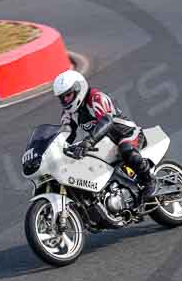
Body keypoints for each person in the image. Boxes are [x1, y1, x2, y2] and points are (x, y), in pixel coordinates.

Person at [53, 70, 157, 200]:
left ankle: (149, 180)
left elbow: (106, 121)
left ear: (79, 88)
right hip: (104, 142)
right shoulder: (68, 113)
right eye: (62, 97)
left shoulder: (96, 97)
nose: (65, 100)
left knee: (126, 150)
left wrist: (89, 141)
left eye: (68, 95)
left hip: (126, 134)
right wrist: (57, 148)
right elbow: (66, 133)